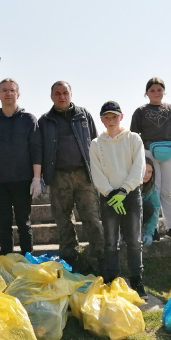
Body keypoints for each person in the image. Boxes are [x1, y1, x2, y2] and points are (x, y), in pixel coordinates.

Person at [39, 81, 104, 270]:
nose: (61, 96)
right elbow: (40, 148)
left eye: (65, 93)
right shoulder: (45, 120)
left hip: (84, 175)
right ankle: (70, 260)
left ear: (71, 94)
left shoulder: (84, 115)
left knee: (91, 218)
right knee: (63, 219)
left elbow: (95, 142)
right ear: (51, 96)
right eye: (57, 93)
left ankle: (99, 259)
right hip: (58, 176)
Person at [89, 101, 146, 298]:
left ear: (121, 117)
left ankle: (137, 281)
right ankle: (111, 281)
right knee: (111, 241)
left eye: (114, 116)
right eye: (107, 117)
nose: (111, 120)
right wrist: (111, 193)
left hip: (130, 196)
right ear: (102, 120)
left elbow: (138, 167)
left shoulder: (134, 139)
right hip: (108, 198)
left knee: (134, 241)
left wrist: (124, 190)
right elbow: (96, 172)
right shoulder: (96, 144)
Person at [0, 78, 42, 255]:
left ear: (18, 94)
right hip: (0, 182)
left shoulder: (29, 119)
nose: (8, 93)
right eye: (4, 90)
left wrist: (37, 178)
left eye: (12, 90)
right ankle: (6, 260)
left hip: (23, 180)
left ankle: (27, 260)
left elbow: (36, 150)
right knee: (4, 224)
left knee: (24, 222)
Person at [130, 77, 171, 243]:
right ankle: (153, 229)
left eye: (159, 89)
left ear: (164, 91)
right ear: (146, 93)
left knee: (168, 192)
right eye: (152, 90)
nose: (156, 93)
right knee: (152, 192)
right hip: (149, 153)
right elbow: (133, 135)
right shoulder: (140, 111)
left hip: (170, 153)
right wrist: (135, 156)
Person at [141, 157, 161, 246]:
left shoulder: (152, 189)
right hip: (125, 219)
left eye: (150, 172)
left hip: (140, 220)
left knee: (148, 206)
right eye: (144, 171)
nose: (147, 175)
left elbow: (155, 211)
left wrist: (149, 233)